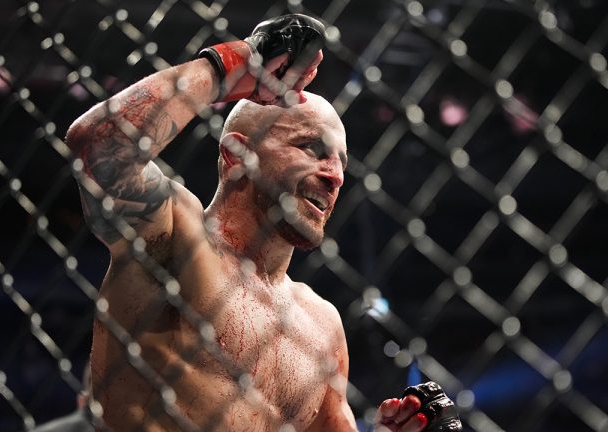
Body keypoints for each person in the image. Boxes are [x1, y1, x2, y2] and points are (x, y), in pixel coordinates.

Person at [66, 13, 453, 432]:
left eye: (340, 163)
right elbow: (100, 142)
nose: (334, 175)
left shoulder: (321, 325)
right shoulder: (176, 237)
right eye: (311, 148)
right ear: (237, 155)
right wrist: (232, 63)